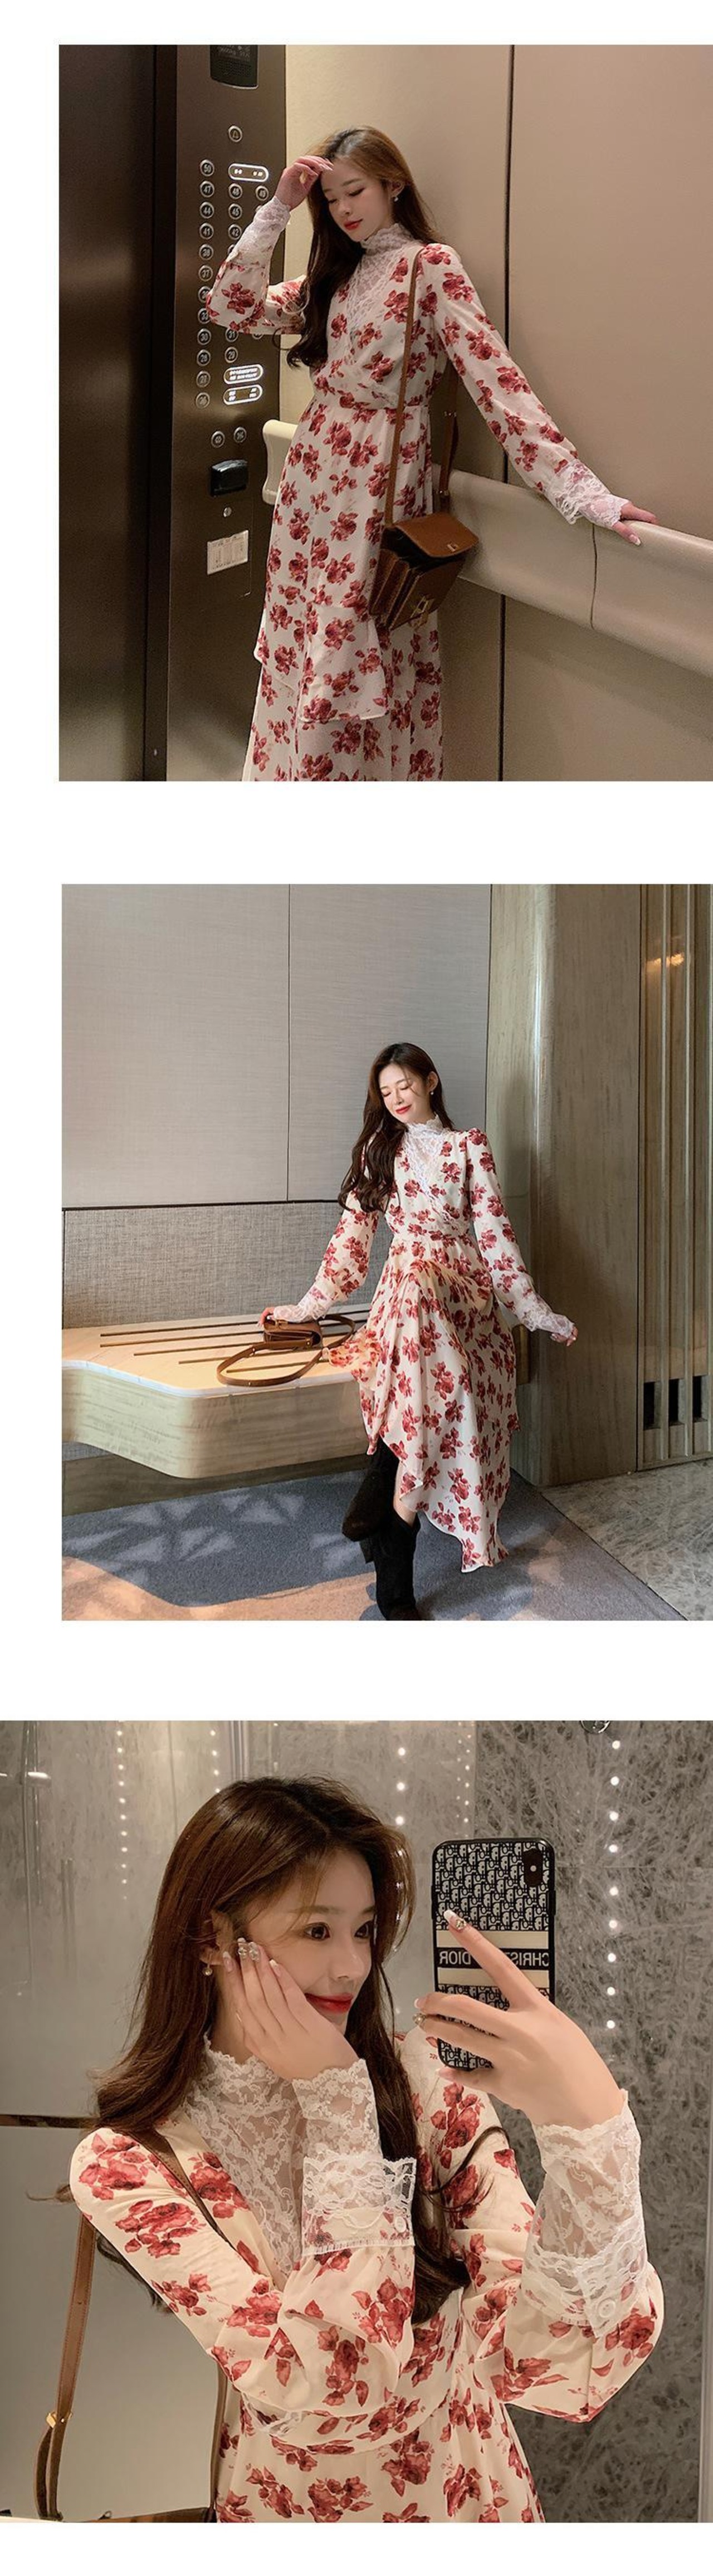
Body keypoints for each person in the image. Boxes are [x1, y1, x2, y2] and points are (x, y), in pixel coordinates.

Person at [70, 1775, 663, 2525]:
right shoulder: (129, 2165)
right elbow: (332, 2393)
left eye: (364, 1929)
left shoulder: (421, 2079)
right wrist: (336, 2109)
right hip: (290, 2513)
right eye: (318, 1931)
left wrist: (587, 2130)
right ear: (213, 1936)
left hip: (465, 2493)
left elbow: (555, 2369)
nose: (352, 1965)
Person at [207, 126, 657, 781]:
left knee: (352, 647)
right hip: (312, 482)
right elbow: (230, 307)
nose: (343, 209)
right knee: (304, 642)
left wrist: (581, 492)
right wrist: (279, 207)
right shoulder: (335, 275)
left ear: (393, 184)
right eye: (330, 200)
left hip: (377, 482)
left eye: (355, 190)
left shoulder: (430, 267)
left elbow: (494, 380)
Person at [261, 1042, 577, 1617]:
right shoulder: (381, 1151)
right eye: (385, 1092)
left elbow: (495, 1237)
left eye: (404, 1085)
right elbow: (352, 1240)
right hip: (406, 1300)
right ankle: (395, 1537)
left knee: (423, 1301)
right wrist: (308, 1306)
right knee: (424, 1331)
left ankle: (382, 1480)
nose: (395, 1098)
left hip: (461, 1293)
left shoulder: (468, 1147)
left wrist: (533, 1311)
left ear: (430, 1081)